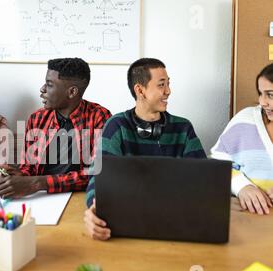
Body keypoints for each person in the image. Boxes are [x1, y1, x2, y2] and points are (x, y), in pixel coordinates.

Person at [84, 58, 207, 241]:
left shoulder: (183, 128)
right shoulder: (116, 126)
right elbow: (98, 175)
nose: (168, 91)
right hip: (129, 220)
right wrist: (94, 207)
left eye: (168, 84)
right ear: (140, 90)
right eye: (161, 85)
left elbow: (203, 177)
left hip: (174, 221)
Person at [0, 58, 112, 198]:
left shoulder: (99, 117)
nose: (42, 89)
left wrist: (37, 183)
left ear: (72, 92)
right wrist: (18, 176)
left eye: (49, 85)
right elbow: (28, 168)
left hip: (78, 197)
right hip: (41, 197)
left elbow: (96, 172)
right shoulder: (37, 118)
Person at [211, 63, 273, 216]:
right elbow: (217, 162)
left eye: (270, 94)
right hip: (249, 218)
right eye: (260, 93)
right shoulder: (245, 120)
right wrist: (242, 186)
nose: (262, 102)